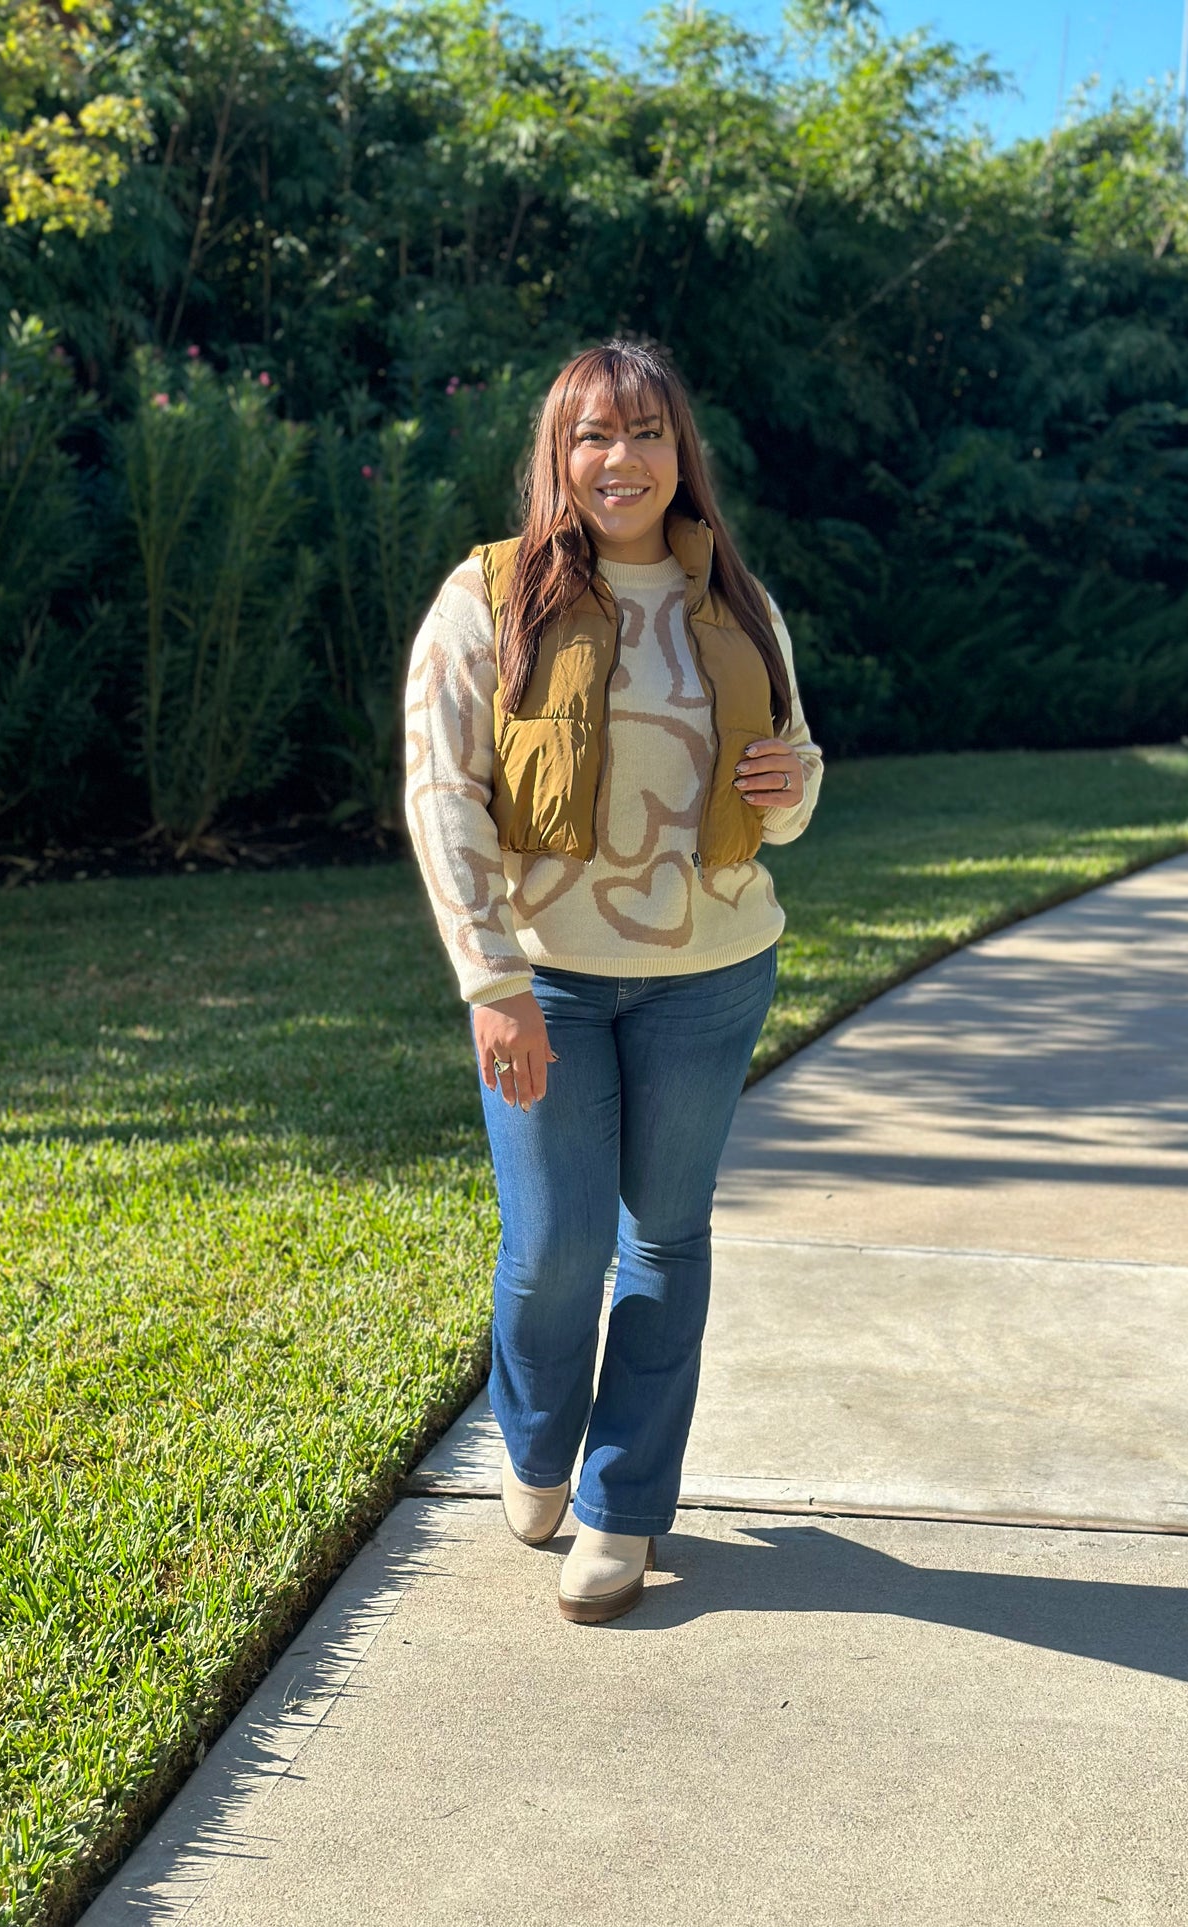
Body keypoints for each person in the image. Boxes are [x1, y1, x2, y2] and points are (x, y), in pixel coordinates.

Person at [403, 339, 823, 1624]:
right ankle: (537, 1443)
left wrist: (794, 785)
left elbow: (794, 770)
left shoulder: (736, 600)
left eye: (645, 432)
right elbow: (442, 793)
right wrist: (490, 979)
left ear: (679, 452)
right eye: (593, 434)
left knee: (665, 1235)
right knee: (554, 1248)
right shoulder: (487, 596)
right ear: (558, 454)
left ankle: (624, 1503)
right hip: (548, 984)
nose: (620, 459)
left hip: (712, 972)